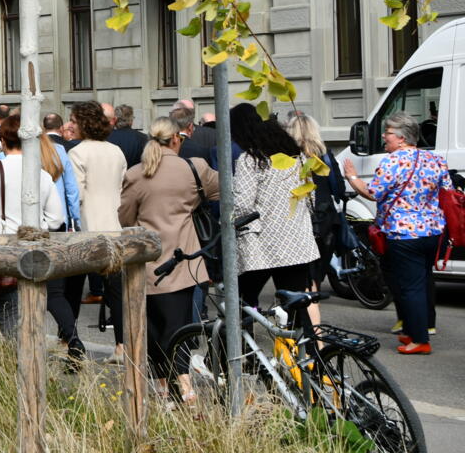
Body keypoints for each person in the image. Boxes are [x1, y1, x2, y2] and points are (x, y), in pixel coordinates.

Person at [120, 117, 219, 397]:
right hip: (183, 260)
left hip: (147, 263)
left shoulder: (137, 173)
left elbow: (125, 218)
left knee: (153, 326)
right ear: (177, 138)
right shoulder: (194, 168)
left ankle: (163, 386)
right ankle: (184, 385)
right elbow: (223, 191)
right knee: (181, 325)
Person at [342, 112, 448, 354]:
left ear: (401, 138)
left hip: (404, 234)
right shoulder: (435, 160)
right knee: (420, 281)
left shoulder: (392, 162)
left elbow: (373, 193)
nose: (383, 137)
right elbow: (447, 191)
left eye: (387, 133)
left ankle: (420, 340)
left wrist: (352, 177)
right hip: (432, 232)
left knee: (409, 287)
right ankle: (413, 331)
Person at [0, 116, 63, 338]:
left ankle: (21, 362)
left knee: (8, 318)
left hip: (0, 249)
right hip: (33, 250)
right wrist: (36, 225)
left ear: (2, 139)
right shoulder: (40, 173)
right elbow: (57, 218)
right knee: (30, 312)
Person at [228, 103, 319, 318]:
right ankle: (306, 351)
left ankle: (243, 350)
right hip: (297, 242)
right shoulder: (298, 157)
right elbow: (310, 198)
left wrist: (229, 220)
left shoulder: (251, 160)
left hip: (261, 244)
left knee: (242, 303)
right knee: (295, 306)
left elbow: (243, 204)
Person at [67, 100, 128, 354]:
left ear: (83, 123)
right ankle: (121, 345)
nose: (70, 125)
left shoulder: (77, 153)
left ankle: (70, 341)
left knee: (71, 287)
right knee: (116, 291)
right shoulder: (116, 151)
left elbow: (76, 195)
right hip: (114, 225)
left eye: (73, 120)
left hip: (87, 227)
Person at [284, 113, 346, 326]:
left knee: (301, 278)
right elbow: (339, 188)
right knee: (315, 277)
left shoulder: (288, 158)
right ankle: (311, 324)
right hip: (326, 221)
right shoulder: (325, 155)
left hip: (299, 220)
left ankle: (308, 330)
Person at [41, 133, 85, 358]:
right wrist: (74, 222)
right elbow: (72, 190)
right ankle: (71, 337)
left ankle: (68, 337)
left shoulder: (9, 155)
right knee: (56, 291)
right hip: (58, 225)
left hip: (29, 228)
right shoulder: (58, 151)